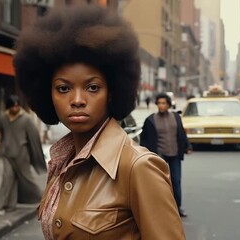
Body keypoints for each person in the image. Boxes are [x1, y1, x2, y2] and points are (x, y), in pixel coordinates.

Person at [13, 5, 185, 239]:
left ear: (112, 92)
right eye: (63, 88)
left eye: (92, 88)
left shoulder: (138, 167)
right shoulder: (61, 161)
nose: (77, 100)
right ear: (47, 94)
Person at [140, 93, 193, 218]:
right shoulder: (150, 120)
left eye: (163, 103)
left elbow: (181, 133)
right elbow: (144, 139)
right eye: (159, 103)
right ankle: (159, 208)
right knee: (159, 182)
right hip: (159, 155)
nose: (161, 106)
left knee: (176, 181)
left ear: (168, 104)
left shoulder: (176, 117)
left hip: (174, 154)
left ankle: (177, 207)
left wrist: (187, 146)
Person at [0, 95, 46, 216]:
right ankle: (3, 205)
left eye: (17, 105)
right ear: (9, 106)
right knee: (8, 177)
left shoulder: (26, 119)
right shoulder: (3, 118)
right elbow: (0, 132)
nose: (15, 108)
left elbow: (34, 137)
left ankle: (44, 198)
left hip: (22, 154)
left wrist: (35, 155)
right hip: (6, 153)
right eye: (13, 105)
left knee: (26, 178)